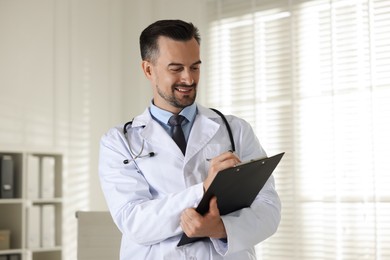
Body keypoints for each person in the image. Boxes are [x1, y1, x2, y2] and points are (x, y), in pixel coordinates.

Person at [99, 19, 281, 259]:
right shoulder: (119, 142)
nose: (188, 79)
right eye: (176, 68)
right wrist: (204, 189)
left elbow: (269, 208)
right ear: (148, 70)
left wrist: (220, 230)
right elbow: (133, 222)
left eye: (195, 67)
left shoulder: (235, 130)